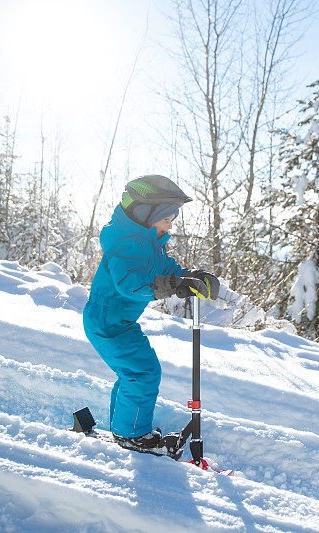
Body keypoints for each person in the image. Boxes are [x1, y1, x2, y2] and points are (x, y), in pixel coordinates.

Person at [83, 175, 219, 452]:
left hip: (119, 322)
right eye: (166, 219)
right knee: (142, 373)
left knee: (134, 372)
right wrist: (169, 285)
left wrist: (188, 277)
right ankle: (130, 435)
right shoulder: (126, 244)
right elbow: (130, 284)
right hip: (107, 324)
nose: (171, 225)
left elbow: (163, 267)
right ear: (147, 215)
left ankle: (123, 428)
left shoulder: (147, 240)